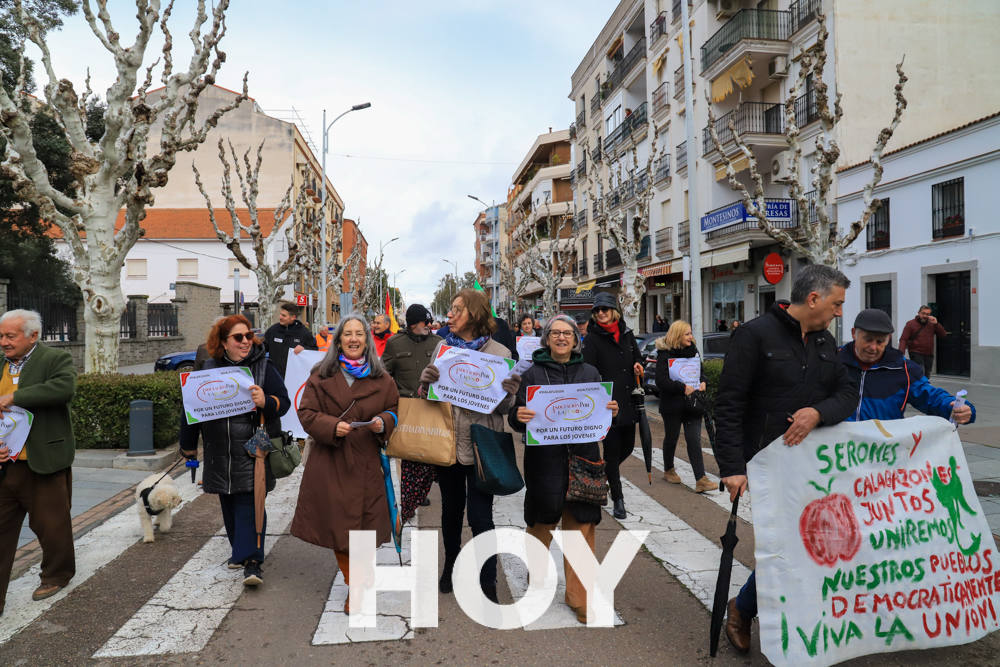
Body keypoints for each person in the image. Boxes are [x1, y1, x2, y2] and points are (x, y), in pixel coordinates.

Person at [715, 264, 857, 653]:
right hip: (765, 467)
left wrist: (819, 412)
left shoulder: (827, 343)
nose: (839, 312)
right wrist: (731, 468)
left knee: (811, 544)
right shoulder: (753, 336)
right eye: (837, 303)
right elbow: (728, 405)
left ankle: (776, 615)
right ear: (813, 299)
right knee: (785, 547)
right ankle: (743, 610)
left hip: (813, 470)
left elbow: (848, 395)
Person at [509, 314, 619, 624]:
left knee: (581, 525)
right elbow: (514, 417)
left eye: (566, 333)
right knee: (542, 521)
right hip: (545, 461)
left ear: (575, 339)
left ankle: (578, 596)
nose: (561, 338)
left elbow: (601, 419)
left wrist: (611, 410)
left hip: (583, 458)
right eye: (555, 333)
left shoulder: (591, 372)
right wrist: (520, 416)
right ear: (546, 339)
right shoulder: (531, 375)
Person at [290, 315, 399, 612]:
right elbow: (306, 413)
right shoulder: (320, 374)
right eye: (347, 334)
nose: (353, 339)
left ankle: (361, 580)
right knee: (339, 530)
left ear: (367, 340)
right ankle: (356, 584)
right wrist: (330, 426)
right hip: (330, 462)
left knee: (363, 531)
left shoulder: (383, 379)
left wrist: (383, 423)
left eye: (359, 334)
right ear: (338, 340)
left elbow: (393, 410)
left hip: (365, 463)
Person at [418, 288, 520, 603]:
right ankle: (450, 564)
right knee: (450, 512)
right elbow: (428, 398)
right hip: (448, 444)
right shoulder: (442, 349)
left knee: (480, 517)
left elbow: (504, 409)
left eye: (457, 309)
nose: (450, 314)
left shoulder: (500, 353)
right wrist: (425, 382)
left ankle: (487, 578)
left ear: (473, 314)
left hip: (482, 446)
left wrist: (509, 393)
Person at [180, 315, 289, 586]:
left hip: (253, 449)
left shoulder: (264, 366)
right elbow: (191, 411)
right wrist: (188, 445)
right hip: (219, 449)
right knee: (228, 500)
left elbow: (284, 402)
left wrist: (266, 401)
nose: (245, 342)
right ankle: (239, 552)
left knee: (251, 502)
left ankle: (253, 562)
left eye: (248, 336)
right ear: (223, 342)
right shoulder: (207, 368)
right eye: (238, 337)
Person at [0, 309, 76, 611]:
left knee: (51, 525)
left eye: (10, 335)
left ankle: (57, 574)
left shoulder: (55, 359)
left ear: (33, 335)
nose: (4, 342)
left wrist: (15, 397)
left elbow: (63, 388)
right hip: (6, 463)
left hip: (42, 459)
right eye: (1, 336)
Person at [840, 308, 975, 424]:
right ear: (854, 333)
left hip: (883, 450)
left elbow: (929, 396)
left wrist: (957, 407)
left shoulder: (903, 369)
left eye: (880, 341)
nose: (873, 347)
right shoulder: (833, 361)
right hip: (836, 450)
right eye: (868, 339)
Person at [582, 292, 643, 520]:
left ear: (613, 311)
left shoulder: (626, 334)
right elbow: (588, 370)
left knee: (627, 447)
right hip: (607, 404)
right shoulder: (592, 339)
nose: (600, 313)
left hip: (628, 401)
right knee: (612, 450)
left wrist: (638, 364)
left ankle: (605, 473)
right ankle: (618, 498)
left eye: (604, 309)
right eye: (597, 310)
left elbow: (638, 357)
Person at [383, 304, 442, 521]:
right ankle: (409, 493)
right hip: (405, 407)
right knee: (405, 451)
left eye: (429, 322)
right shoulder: (394, 344)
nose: (428, 326)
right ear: (412, 323)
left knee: (430, 450)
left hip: (431, 407)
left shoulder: (439, 343)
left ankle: (424, 486)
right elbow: (384, 374)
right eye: (424, 322)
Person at [655, 320, 713, 493]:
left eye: (690, 333)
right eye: (687, 334)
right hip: (672, 405)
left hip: (693, 404)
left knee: (694, 439)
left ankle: (701, 479)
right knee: (672, 437)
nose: (691, 337)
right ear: (677, 335)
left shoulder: (693, 351)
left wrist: (703, 382)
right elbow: (661, 381)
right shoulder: (664, 354)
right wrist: (682, 388)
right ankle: (668, 469)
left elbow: (700, 372)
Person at [263, 302, 317, 376]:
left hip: (294, 377)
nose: (280, 317)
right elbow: (262, 348)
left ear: (293, 317)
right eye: (280, 314)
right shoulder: (273, 330)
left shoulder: (303, 332)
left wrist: (304, 348)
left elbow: (314, 349)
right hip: (275, 376)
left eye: (284, 315)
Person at [898, 305, 948, 377]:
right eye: (923, 313)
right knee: (920, 373)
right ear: (918, 313)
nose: (925, 316)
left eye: (927, 314)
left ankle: (922, 387)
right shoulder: (910, 324)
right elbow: (903, 339)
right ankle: (919, 387)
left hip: (929, 354)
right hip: (915, 352)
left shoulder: (932, 324)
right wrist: (901, 353)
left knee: (927, 375)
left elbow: (943, 335)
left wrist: (937, 324)